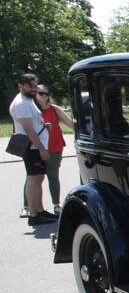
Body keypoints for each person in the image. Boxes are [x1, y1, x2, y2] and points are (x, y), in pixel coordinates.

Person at [9, 73, 55, 226]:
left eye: (35, 85)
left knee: (38, 178)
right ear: (21, 85)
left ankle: (40, 210)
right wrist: (42, 149)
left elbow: (33, 124)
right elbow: (28, 130)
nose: (34, 89)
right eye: (31, 86)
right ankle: (34, 215)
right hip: (32, 147)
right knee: (33, 179)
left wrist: (43, 126)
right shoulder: (21, 103)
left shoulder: (28, 100)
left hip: (35, 146)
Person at [34, 85, 73, 214]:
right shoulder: (32, 110)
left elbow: (71, 124)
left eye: (46, 93)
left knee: (53, 176)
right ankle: (28, 206)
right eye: (41, 93)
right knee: (33, 178)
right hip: (36, 148)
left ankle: (56, 205)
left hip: (55, 148)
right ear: (35, 94)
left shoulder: (54, 109)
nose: (44, 96)